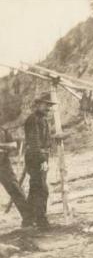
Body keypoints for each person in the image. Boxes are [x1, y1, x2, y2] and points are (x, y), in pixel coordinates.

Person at [24, 92, 56, 230]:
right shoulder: (33, 120)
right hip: (36, 157)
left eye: (49, 106)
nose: (48, 108)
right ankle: (41, 220)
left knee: (35, 187)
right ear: (37, 105)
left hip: (41, 155)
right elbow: (34, 141)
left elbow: (45, 140)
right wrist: (42, 159)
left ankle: (29, 219)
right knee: (42, 188)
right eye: (46, 105)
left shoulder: (43, 120)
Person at [0, 115, 31, 227]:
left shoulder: (3, 131)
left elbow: (13, 145)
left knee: (15, 190)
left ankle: (28, 218)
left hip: (3, 165)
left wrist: (1, 146)